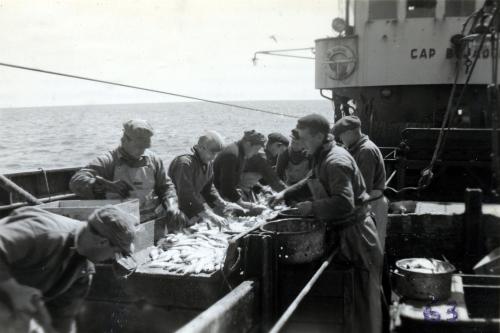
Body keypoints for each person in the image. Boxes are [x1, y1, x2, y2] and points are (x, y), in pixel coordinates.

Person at [270, 113, 383, 333]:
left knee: (365, 293)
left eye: (304, 138)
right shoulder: (322, 155)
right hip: (343, 231)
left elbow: (344, 202)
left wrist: (311, 208)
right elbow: (311, 178)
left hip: (357, 235)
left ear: (320, 136)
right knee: (354, 294)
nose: (300, 144)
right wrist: (285, 193)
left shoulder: (335, 160)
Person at [0, 205, 137, 333]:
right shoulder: (44, 232)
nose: (113, 259)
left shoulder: (82, 273)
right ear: (103, 242)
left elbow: (63, 317)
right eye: (117, 253)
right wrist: (13, 290)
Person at [69, 119, 185, 225]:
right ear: (124, 140)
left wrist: (172, 205)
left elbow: (165, 187)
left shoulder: (154, 160)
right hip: (120, 227)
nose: (142, 151)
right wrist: (106, 185)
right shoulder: (108, 161)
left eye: (145, 147)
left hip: (152, 223)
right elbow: (76, 181)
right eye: (138, 147)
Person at [332, 115, 388, 250]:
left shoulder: (365, 151)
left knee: (373, 250)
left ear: (350, 132)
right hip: (366, 203)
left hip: (373, 205)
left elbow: (363, 190)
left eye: (341, 135)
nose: (340, 139)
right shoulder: (357, 148)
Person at [168, 131, 245, 228]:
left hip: (194, 212)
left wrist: (224, 204)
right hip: (177, 214)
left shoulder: (207, 163)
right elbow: (186, 195)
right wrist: (210, 215)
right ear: (201, 148)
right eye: (212, 153)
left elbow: (208, 189)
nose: (213, 158)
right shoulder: (184, 163)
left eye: (216, 154)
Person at [213, 130, 268, 214]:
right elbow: (226, 187)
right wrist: (243, 204)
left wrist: (260, 188)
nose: (257, 152)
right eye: (257, 149)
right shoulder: (232, 155)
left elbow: (236, 178)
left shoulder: (241, 152)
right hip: (216, 197)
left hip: (226, 193)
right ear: (248, 144)